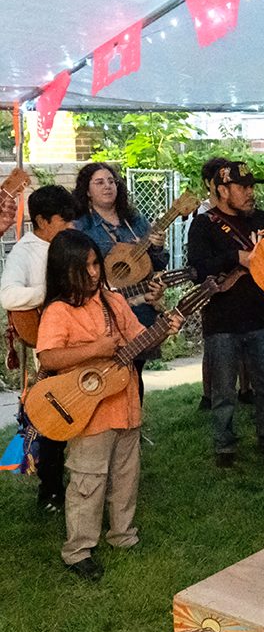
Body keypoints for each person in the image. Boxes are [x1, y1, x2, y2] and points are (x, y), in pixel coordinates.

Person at [35, 230, 182, 581]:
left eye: (95, 265)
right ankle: (78, 550)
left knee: (125, 476)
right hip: (86, 412)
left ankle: (122, 535)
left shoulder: (113, 302)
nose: (93, 273)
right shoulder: (58, 311)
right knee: (89, 480)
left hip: (125, 404)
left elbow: (138, 341)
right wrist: (95, 349)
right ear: (63, 270)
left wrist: (165, 327)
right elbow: (50, 356)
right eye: (83, 267)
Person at [187, 161, 264, 468]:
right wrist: (236, 257)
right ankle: (224, 446)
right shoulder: (203, 225)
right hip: (222, 321)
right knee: (224, 391)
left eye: (251, 186)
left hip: (260, 316)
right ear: (222, 190)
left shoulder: (263, 220)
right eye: (243, 187)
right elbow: (197, 269)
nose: (250, 193)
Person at [0, 185, 75, 511]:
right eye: (63, 220)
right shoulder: (24, 252)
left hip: (79, 342)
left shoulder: (68, 245)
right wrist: (49, 295)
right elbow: (8, 296)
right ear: (42, 220)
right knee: (53, 418)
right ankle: (52, 491)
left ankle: (87, 480)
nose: (70, 226)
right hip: (49, 345)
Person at [73, 163, 168, 397]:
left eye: (111, 181)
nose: (108, 186)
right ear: (86, 190)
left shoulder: (134, 221)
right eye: (99, 182)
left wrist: (157, 248)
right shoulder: (81, 225)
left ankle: (133, 426)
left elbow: (157, 264)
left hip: (140, 308)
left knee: (135, 371)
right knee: (108, 372)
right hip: (102, 310)